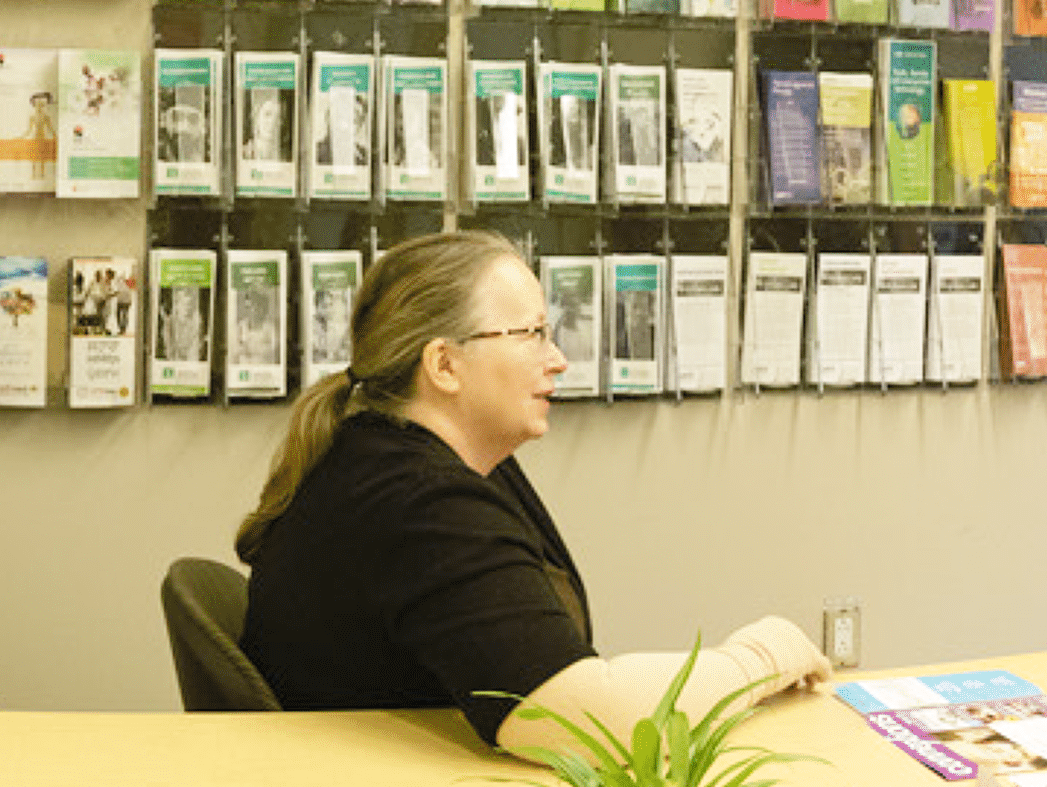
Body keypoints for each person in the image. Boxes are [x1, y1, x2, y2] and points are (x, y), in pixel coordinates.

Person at [237, 230, 828, 750]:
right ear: (444, 365)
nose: (559, 360)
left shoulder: (394, 455)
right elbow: (594, 722)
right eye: (533, 335)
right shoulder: (417, 503)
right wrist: (760, 659)